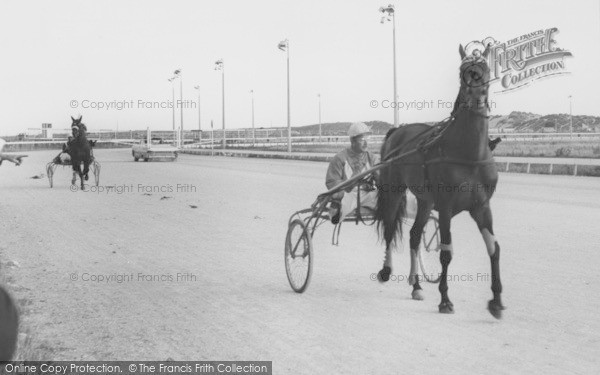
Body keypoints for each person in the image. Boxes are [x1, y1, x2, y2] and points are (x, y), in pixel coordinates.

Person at [325, 122, 379, 224]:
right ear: (352, 141)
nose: (366, 143)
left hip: (366, 194)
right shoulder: (340, 158)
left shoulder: (372, 158)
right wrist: (348, 187)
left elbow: (381, 179)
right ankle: (336, 210)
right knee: (337, 213)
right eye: (362, 140)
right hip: (348, 195)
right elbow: (332, 182)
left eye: (367, 139)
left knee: (388, 200)